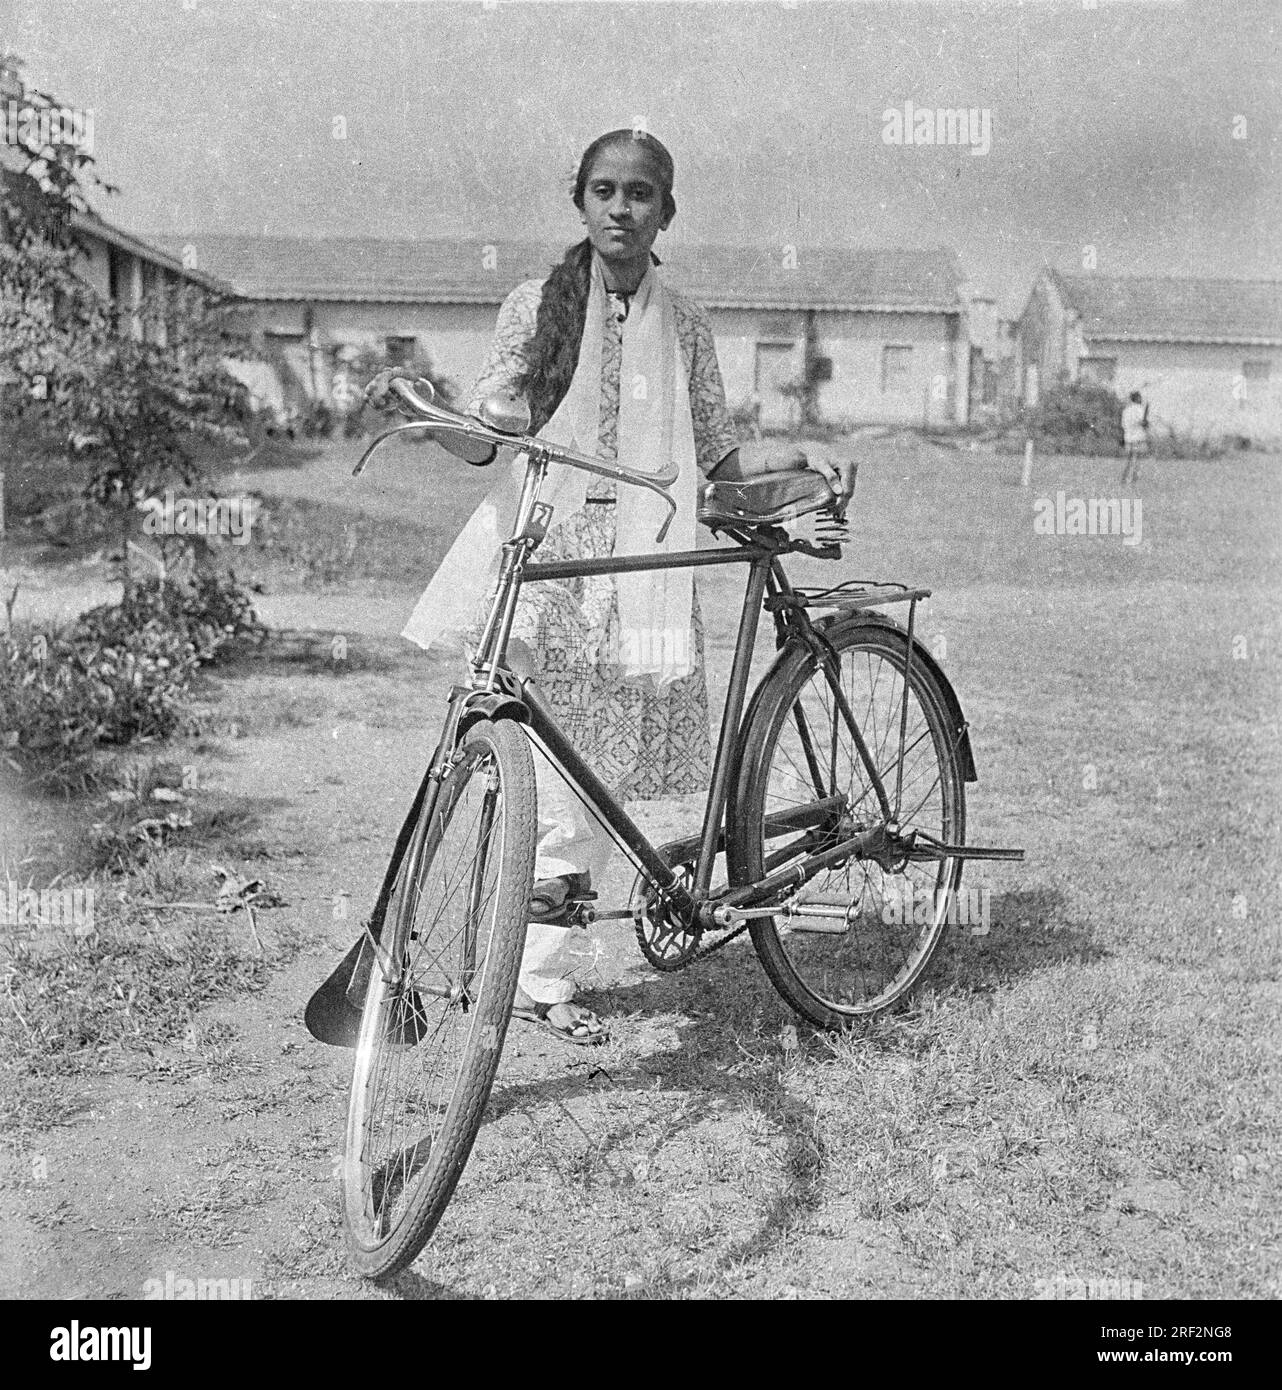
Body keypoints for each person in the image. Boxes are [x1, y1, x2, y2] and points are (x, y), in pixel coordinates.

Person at [386, 129, 843, 1044]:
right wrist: (427, 416)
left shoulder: (686, 324)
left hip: (647, 561)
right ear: (581, 202)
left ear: (665, 211)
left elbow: (716, 456)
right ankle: (534, 970)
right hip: (551, 555)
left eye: (640, 193)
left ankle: (536, 972)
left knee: (599, 775)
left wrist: (795, 453)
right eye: (603, 190)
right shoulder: (537, 307)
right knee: (550, 768)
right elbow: (491, 433)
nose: (621, 208)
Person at [1120, 390, 1148, 484]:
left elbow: (1123, 425)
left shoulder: (1125, 410)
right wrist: (1145, 423)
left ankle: (1124, 480)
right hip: (1138, 438)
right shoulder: (1140, 409)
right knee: (1136, 461)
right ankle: (1132, 482)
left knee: (1129, 460)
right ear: (1138, 398)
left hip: (1127, 438)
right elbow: (1142, 422)